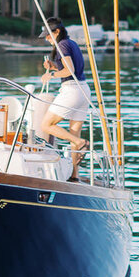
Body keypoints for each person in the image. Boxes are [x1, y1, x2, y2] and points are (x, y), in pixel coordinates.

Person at [37, 17, 91, 180]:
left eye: (48, 35)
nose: (46, 38)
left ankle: (81, 143)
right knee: (74, 134)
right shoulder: (71, 43)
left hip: (72, 91)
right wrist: (53, 66)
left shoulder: (61, 45)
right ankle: (75, 175)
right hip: (84, 91)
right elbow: (71, 66)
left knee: (46, 125)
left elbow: (70, 71)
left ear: (57, 32)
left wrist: (51, 74)